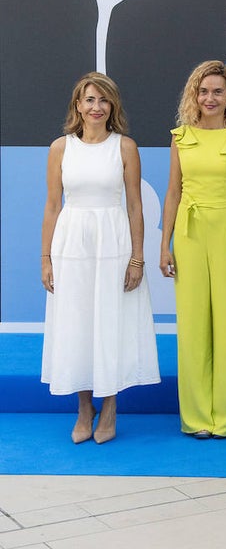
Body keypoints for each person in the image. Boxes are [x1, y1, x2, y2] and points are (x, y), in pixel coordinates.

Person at [41, 73, 160, 444]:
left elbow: (136, 207)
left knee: (110, 322)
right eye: (89, 100)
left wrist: (137, 259)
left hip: (114, 243)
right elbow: (52, 205)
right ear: (77, 105)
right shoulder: (60, 148)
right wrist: (46, 258)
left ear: (113, 107)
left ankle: (109, 406)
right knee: (77, 324)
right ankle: (83, 407)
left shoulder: (124, 147)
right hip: (72, 245)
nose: (96, 107)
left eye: (103, 101)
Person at [160, 61, 226, 438]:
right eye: (204, 91)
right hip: (189, 234)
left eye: (218, 91)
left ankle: (225, 418)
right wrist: (164, 245)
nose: (210, 98)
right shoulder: (181, 136)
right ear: (194, 96)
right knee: (193, 326)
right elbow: (173, 193)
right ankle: (196, 417)